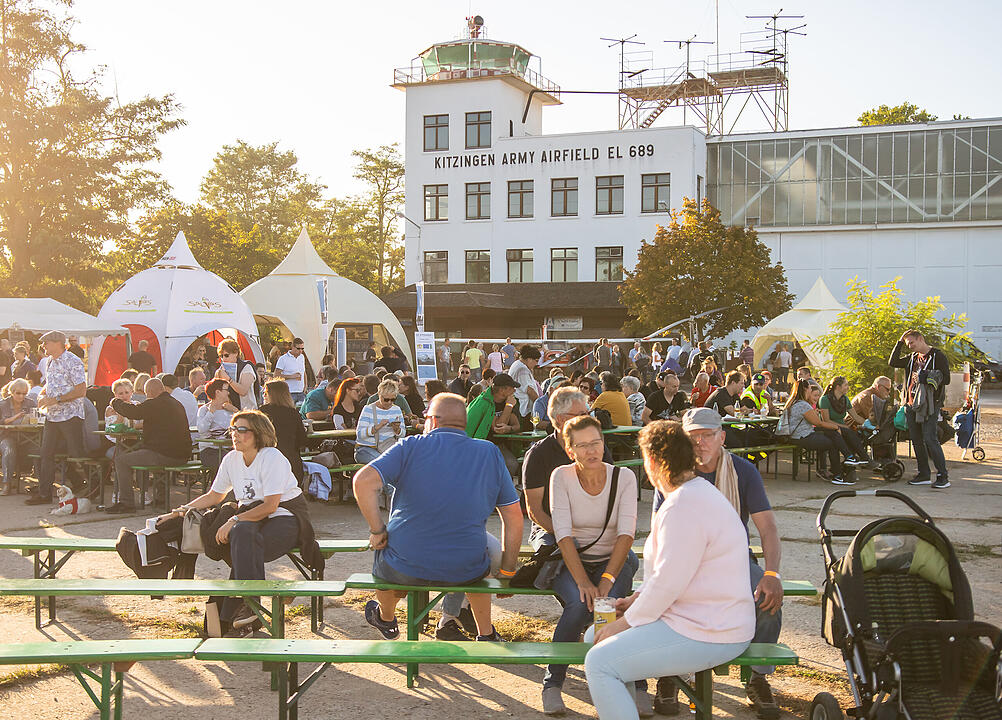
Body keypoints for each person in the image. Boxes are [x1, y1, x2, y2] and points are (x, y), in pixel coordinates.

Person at [583, 418, 755, 720]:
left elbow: (667, 584)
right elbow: (669, 574)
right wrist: (634, 603)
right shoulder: (692, 494)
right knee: (593, 638)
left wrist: (623, 623)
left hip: (711, 630)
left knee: (600, 662)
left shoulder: (683, 506)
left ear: (652, 460)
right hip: (702, 621)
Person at [644, 409, 783, 716]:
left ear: (722, 437)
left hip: (731, 559)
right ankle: (669, 675)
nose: (701, 443)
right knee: (665, 601)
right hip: (683, 559)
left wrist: (771, 573)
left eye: (707, 435)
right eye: (693, 436)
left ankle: (757, 678)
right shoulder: (670, 473)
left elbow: (768, 527)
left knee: (768, 601)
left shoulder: (743, 472)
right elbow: (658, 532)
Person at [352, 392, 523, 642]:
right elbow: (514, 517)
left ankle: (387, 618)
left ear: (432, 419)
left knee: (385, 559)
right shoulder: (489, 452)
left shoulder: (409, 445)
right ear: (463, 423)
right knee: (479, 563)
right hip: (464, 567)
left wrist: (377, 530)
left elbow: (363, 482)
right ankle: (486, 633)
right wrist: (508, 570)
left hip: (405, 563)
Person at [168, 409, 315, 636]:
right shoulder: (231, 459)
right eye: (233, 429)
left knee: (241, 539)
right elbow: (214, 496)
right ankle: (251, 605)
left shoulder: (272, 457)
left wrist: (233, 519)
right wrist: (182, 510)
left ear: (258, 433)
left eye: (242, 430)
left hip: (286, 516)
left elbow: (270, 506)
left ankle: (242, 609)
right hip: (251, 520)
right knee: (242, 537)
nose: (235, 434)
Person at [538, 414, 639, 715]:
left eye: (595, 443)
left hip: (615, 559)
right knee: (580, 606)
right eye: (581, 446)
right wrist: (583, 581)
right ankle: (552, 683)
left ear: (604, 443)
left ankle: (634, 684)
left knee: (612, 608)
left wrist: (606, 579)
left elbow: (627, 533)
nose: (591, 451)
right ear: (570, 451)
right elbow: (563, 533)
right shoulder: (561, 476)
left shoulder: (625, 477)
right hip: (572, 560)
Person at [107, 377, 191, 512]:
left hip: (164, 454)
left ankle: (126, 503)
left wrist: (115, 402)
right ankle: (161, 499)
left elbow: (133, 412)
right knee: (152, 457)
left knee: (121, 460)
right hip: (183, 455)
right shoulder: (176, 403)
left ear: (149, 393)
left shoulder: (153, 404)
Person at [26, 331, 88, 506]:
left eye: (46, 343)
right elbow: (51, 383)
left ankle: (93, 483)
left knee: (77, 453)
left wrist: (55, 399)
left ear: (57, 343)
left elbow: (81, 390)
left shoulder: (73, 361)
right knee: (46, 453)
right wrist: (42, 395)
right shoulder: (49, 361)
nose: (43, 346)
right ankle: (44, 493)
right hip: (52, 415)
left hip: (70, 415)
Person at [889, 329, 952, 489]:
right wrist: (900, 342)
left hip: (930, 404)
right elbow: (893, 362)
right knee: (916, 439)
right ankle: (923, 474)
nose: (909, 346)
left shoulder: (937, 356)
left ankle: (942, 476)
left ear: (920, 339)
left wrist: (925, 376)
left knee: (930, 438)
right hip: (911, 403)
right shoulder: (912, 358)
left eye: (911, 342)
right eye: (908, 343)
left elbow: (946, 378)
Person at [776, 379, 862, 486]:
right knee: (833, 442)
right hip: (803, 437)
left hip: (798, 435)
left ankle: (846, 461)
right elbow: (819, 423)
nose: (810, 391)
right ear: (805, 389)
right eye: (810, 389)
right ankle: (838, 474)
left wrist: (833, 428)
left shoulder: (793, 402)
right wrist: (836, 427)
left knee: (831, 434)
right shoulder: (803, 405)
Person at [258, 379, 308, 484]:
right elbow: (302, 440)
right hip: (291, 462)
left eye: (266, 393)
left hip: (267, 462)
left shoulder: (262, 412)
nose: (264, 395)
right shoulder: (293, 413)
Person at [818, 376, 871, 464]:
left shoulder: (845, 399)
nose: (848, 387)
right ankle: (864, 458)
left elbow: (856, 417)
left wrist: (869, 425)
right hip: (829, 428)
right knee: (848, 433)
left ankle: (853, 463)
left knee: (855, 435)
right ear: (838, 387)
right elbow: (826, 420)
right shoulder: (824, 399)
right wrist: (844, 427)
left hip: (842, 428)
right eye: (846, 385)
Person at [355, 378, 405, 464]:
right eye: (386, 399)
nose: (389, 402)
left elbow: (403, 434)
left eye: (393, 399)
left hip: (388, 447)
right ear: (379, 395)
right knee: (384, 462)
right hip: (366, 448)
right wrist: (377, 427)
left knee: (401, 462)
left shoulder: (396, 409)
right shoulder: (368, 409)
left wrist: (397, 430)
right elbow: (359, 434)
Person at [0, 378, 37, 495]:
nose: (21, 396)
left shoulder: (30, 403)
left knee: (41, 449)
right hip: (7, 436)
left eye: (24, 393)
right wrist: (15, 417)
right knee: (9, 449)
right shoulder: (3, 404)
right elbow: (1, 422)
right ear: (12, 391)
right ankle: (7, 484)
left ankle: (42, 485)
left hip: (27, 437)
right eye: (18, 393)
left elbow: (36, 420)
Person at [196, 378, 237, 476]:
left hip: (228, 449)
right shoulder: (204, 410)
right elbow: (201, 429)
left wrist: (236, 411)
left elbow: (243, 427)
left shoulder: (229, 409)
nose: (228, 393)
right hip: (210, 451)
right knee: (230, 461)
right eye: (226, 390)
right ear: (218, 392)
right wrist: (211, 413)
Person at [509, 344, 541, 424]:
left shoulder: (518, 365)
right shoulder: (522, 369)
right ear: (529, 359)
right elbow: (529, 391)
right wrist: (540, 404)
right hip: (524, 410)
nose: (536, 364)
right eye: (536, 361)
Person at [275, 338, 307, 403]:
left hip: (301, 392)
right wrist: (291, 376)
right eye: (298, 348)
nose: (300, 351)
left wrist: (305, 386)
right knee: (289, 412)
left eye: (302, 349)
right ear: (292, 347)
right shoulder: (283, 358)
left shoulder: (302, 357)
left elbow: (303, 372)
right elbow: (276, 375)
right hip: (289, 392)